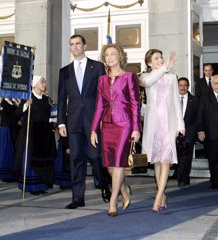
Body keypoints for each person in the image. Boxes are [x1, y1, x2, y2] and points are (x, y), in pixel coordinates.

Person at [57, 34, 111, 209]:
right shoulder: (64, 71)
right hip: (73, 122)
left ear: (85, 46)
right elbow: (61, 98)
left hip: (93, 120)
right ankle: (77, 198)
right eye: (71, 44)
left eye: (78, 43)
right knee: (76, 159)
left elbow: (104, 95)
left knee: (96, 157)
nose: (75, 47)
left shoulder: (97, 67)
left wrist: (103, 118)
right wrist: (61, 122)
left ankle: (105, 187)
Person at [90, 43, 141, 217]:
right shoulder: (102, 80)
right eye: (107, 55)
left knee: (118, 163)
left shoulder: (129, 77)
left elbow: (135, 104)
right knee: (110, 167)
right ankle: (125, 189)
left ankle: (113, 201)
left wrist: (136, 127)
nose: (109, 57)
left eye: (113, 54)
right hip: (108, 125)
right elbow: (99, 106)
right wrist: (94, 129)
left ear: (120, 56)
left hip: (125, 124)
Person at [139, 49, 185, 213]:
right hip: (153, 124)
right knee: (157, 162)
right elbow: (150, 81)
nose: (160, 60)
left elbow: (175, 102)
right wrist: (164, 67)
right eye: (156, 58)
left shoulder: (172, 77)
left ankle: (158, 197)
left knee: (165, 159)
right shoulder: (144, 76)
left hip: (169, 123)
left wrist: (181, 125)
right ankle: (162, 194)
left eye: (161, 57)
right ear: (149, 63)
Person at [14, 76, 56, 195]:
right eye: (42, 82)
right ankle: (33, 187)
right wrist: (26, 105)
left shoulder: (46, 99)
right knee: (32, 160)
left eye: (45, 82)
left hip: (44, 133)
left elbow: (50, 114)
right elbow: (17, 113)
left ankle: (42, 185)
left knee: (43, 161)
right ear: (35, 84)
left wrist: (53, 121)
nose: (44, 84)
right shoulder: (28, 97)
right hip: (31, 133)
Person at [174, 77, 199, 188]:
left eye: (185, 85)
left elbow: (198, 117)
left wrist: (197, 132)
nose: (183, 87)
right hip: (174, 132)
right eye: (180, 85)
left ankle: (183, 178)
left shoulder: (194, 100)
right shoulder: (172, 99)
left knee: (187, 156)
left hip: (189, 132)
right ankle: (181, 176)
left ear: (188, 86)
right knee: (178, 156)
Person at [0, 97, 20, 182]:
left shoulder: (14, 102)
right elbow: (5, 117)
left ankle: (14, 173)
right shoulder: (3, 103)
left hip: (14, 130)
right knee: (6, 151)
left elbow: (17, 114)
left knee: (13, 151)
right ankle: (6, 175)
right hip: (6, 129)